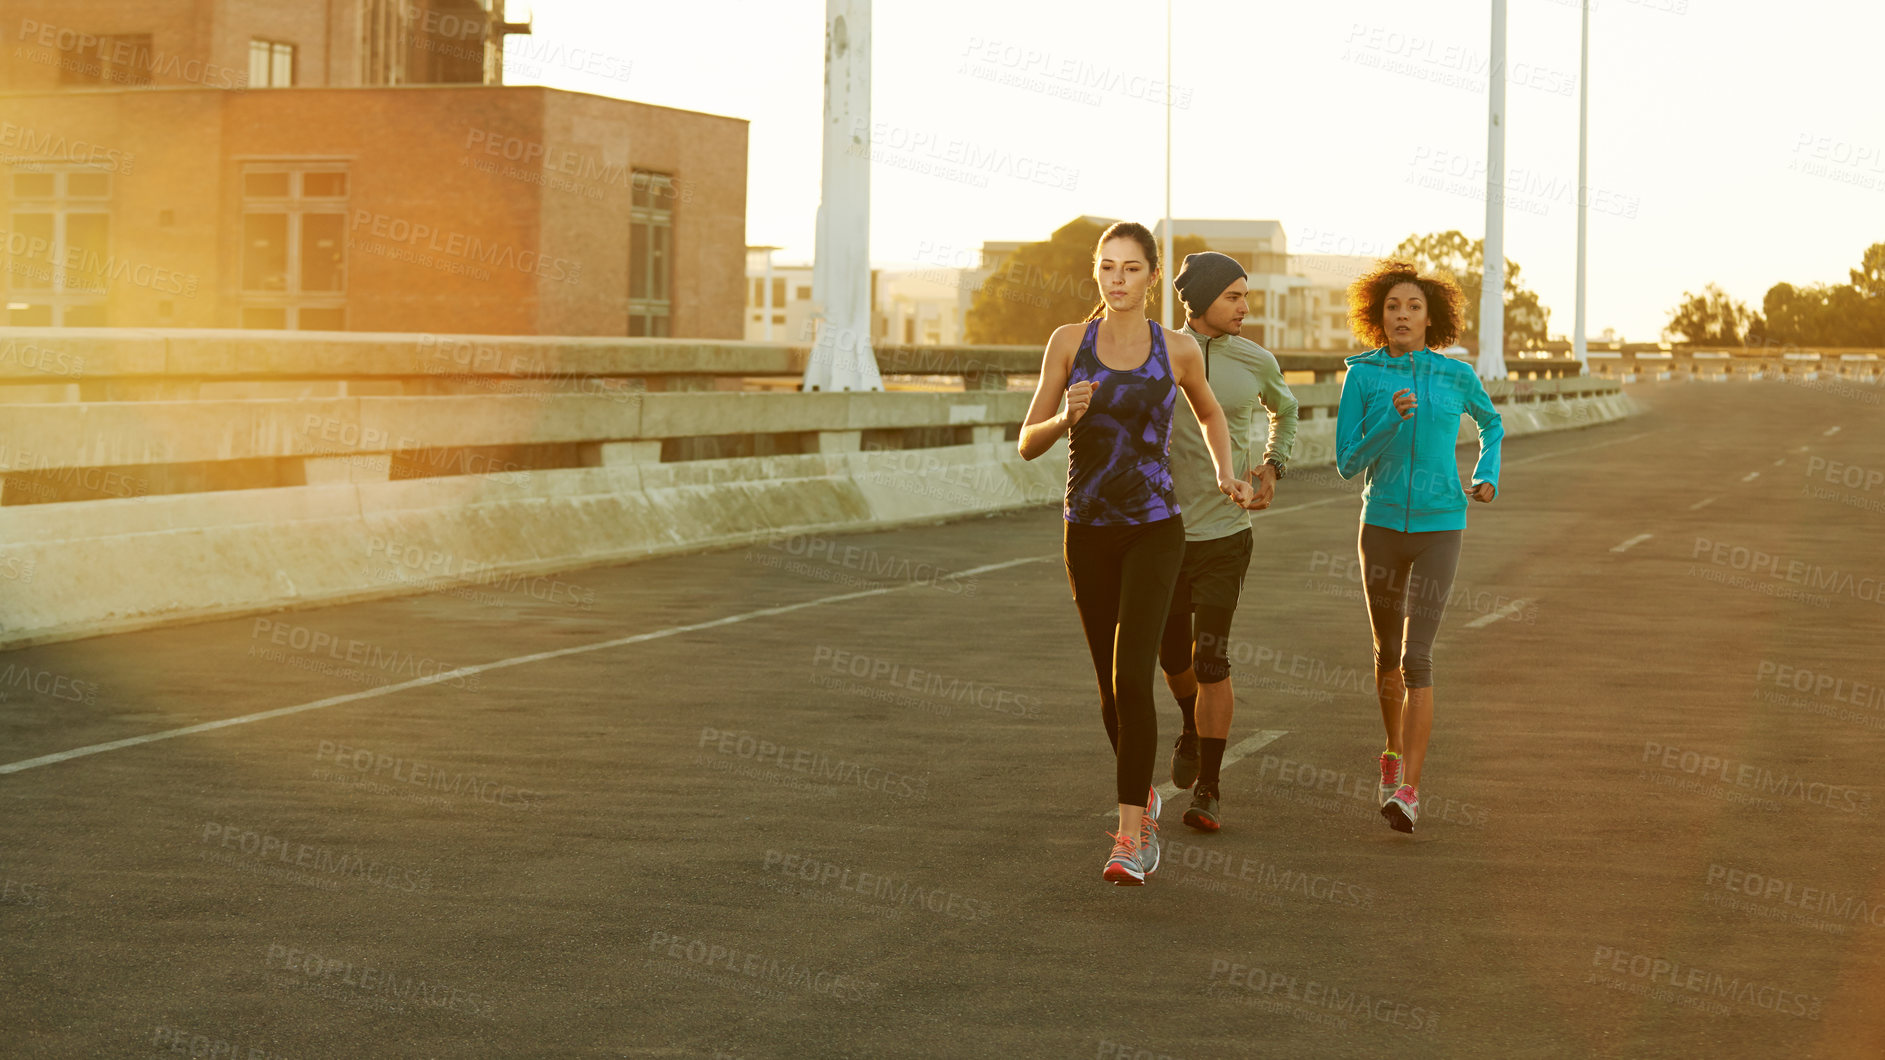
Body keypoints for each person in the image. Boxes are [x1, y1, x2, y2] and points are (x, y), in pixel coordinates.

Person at [1018, 222, 1256, 884]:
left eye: (1129, 268)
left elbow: (1209, 413)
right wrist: (1064, 418)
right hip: (1086, 529)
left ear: (1152, 276)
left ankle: (1132, 835)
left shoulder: (1175, 350)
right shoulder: (1069, 343)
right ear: (1096, 275)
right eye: (1106, 268)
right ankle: (1139, 788)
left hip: (1155, 527)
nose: (1116, 279)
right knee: (1108, 694)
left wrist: (1221, 471)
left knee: (1132, 676)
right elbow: (1025, 442)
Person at [1333, 260, 1502, 834]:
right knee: (1385, 653)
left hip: (1441, 525)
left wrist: (1487, 473)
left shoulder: (1455, 376)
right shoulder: (1362, 377)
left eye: (1413, 307)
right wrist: (1388, 414)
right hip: (1379, 527)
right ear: (1378, 317)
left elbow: (1493, 424)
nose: (1401, 315)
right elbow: (1346, 461)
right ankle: (1390, 748)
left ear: (1432, 319)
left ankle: (1408, 788)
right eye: (1392, 307)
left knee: (1417, 656)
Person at [1157, 252, 1299, 832]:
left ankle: (1209, 789)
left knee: (1211, 659)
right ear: (1203, 301)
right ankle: (1190, 724)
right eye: (1234, 296)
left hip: (1225, 532)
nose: (1246, 306)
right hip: (1161, 534)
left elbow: (1284, 412)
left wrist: (1273, 466)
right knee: (1172, 657)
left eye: (1247, 295)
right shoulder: (1157, 354)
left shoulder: (1256, 359)